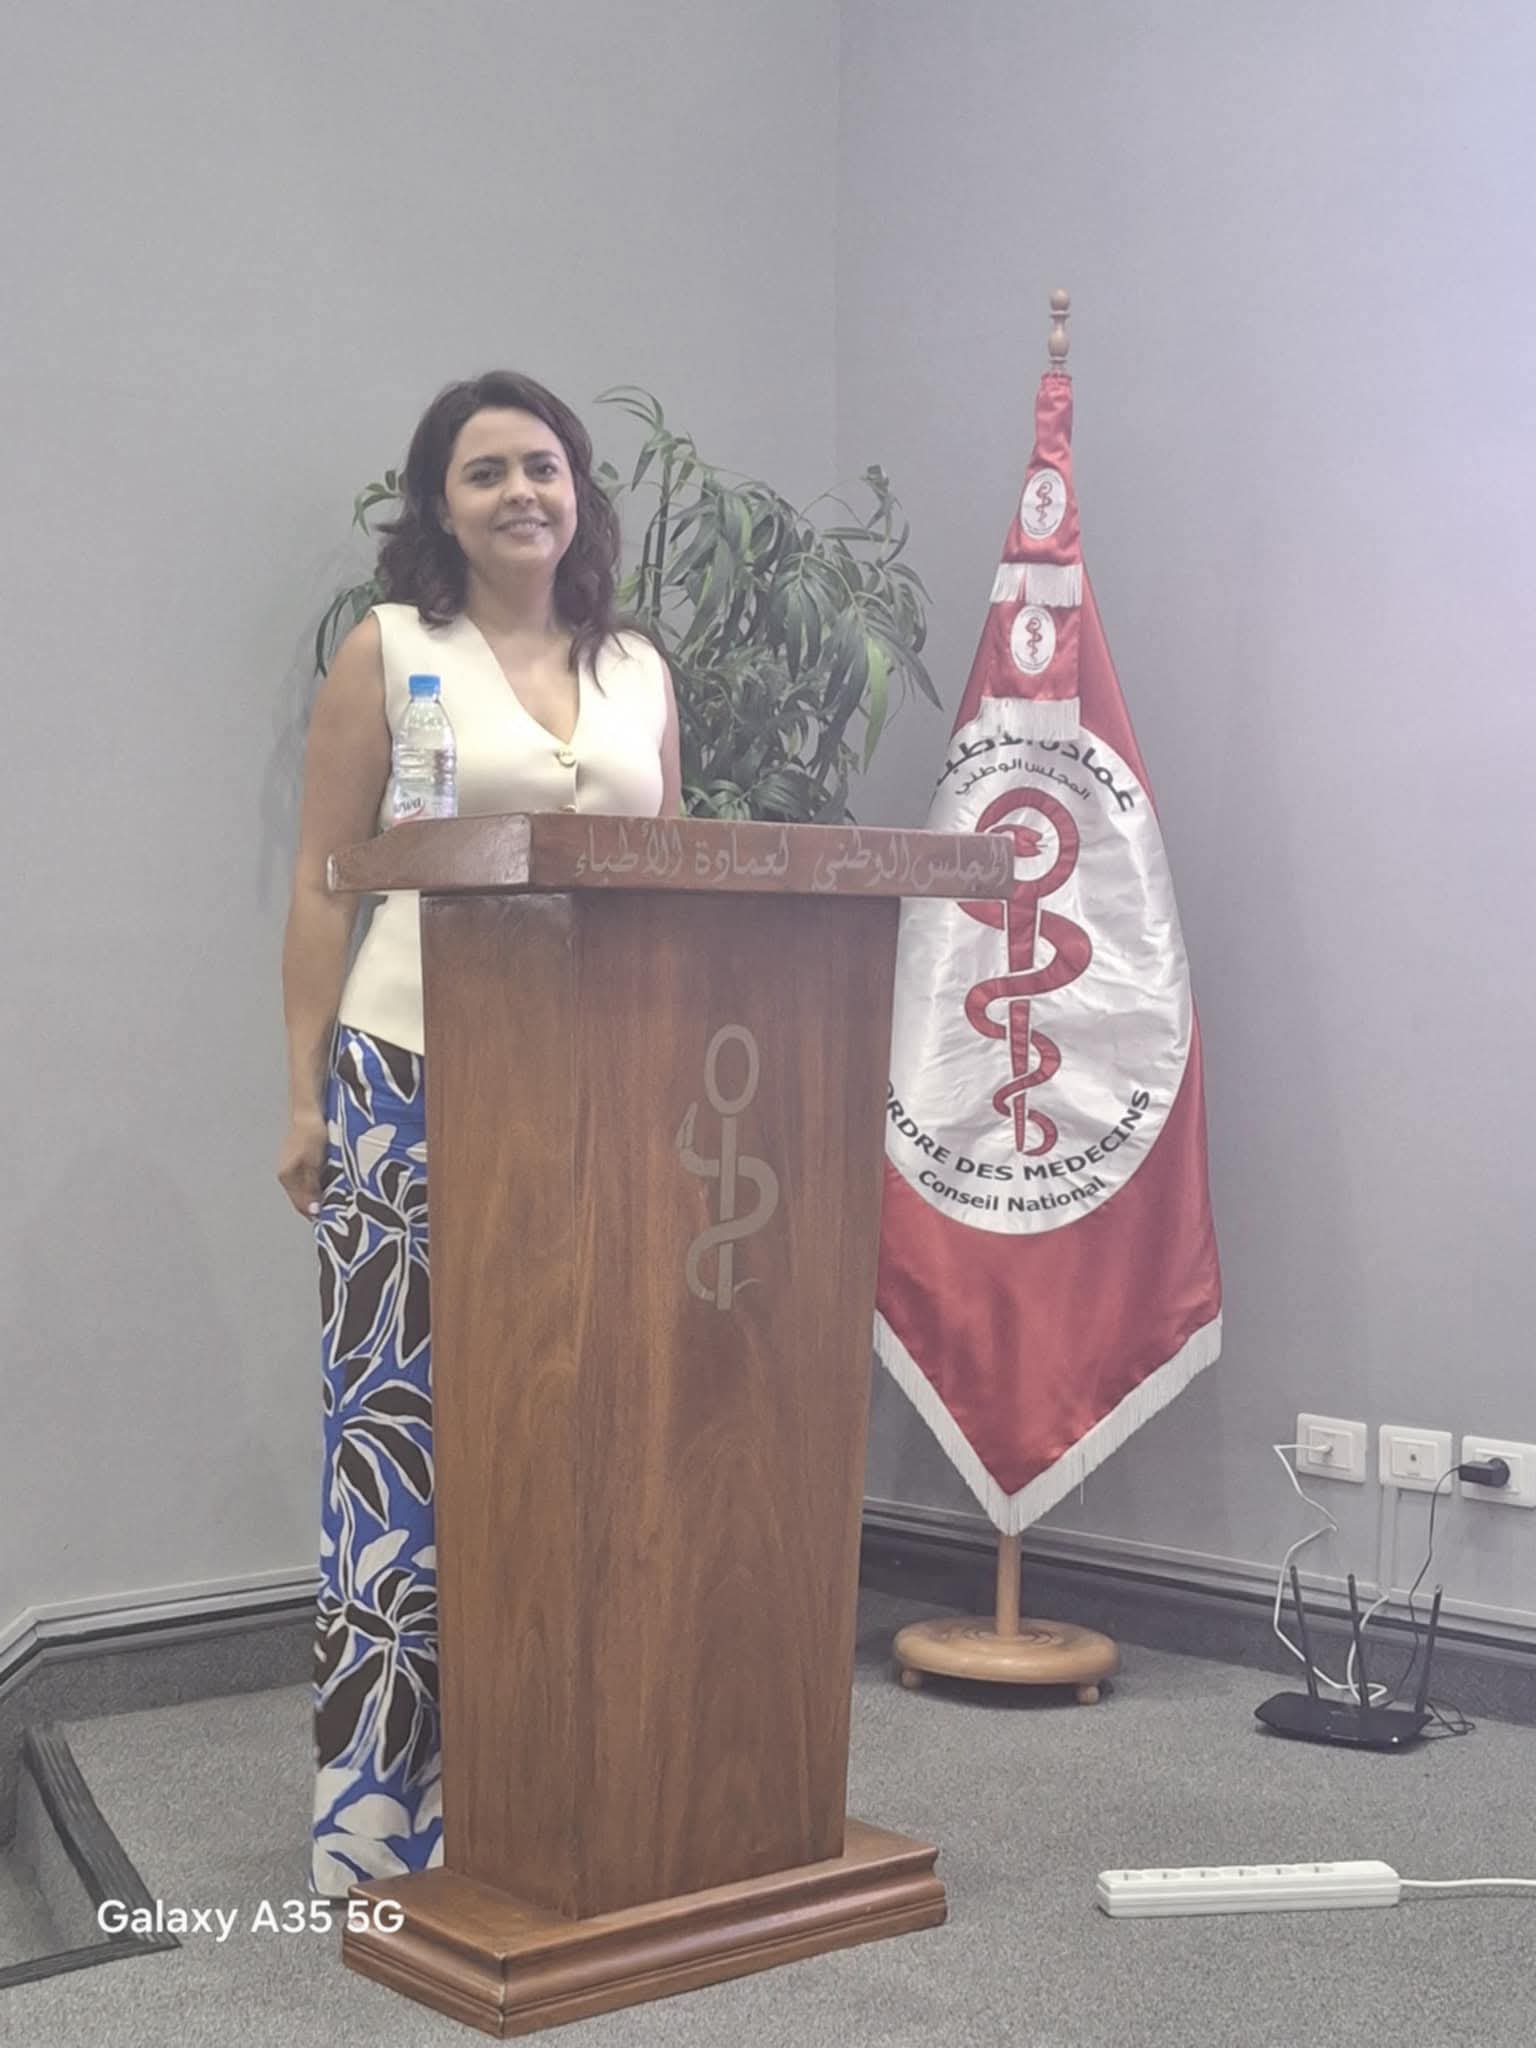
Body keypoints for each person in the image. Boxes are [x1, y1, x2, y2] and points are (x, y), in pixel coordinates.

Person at [277, 371, 681, 1897]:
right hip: (412, 1075)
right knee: (402, 1435)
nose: (522, 492)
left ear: (581, 491)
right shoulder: (390, 649)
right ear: (438, 507)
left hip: (600, 1092)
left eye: (544, 466)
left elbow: (666, 883)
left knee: (571, 1428)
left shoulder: (637, 666)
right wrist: (302, 1092)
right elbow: (325, 879)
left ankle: (539, 1791)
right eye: (486, 471)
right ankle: (377, 1822)